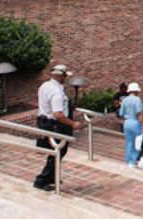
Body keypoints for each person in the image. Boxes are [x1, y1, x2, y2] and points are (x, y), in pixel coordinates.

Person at [33, 64, 83, 192]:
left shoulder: (45, 86)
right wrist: (73, 124)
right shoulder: (57, 92)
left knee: (56, 152)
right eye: (65, 76)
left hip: (45, 121)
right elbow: (58, 114)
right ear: (61, 76)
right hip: (55, 125)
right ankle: (42, 180)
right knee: (57, 152)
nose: (66, 78)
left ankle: (51, 177)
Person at [119, 82, 143, 169]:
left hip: (127, 123)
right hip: (135, 122)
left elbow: (121, 114)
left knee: (130, 142)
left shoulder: (125, 100)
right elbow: (139, 114)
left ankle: (130, 162)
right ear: (136, 91)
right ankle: (142, 160)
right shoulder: (137, 100)